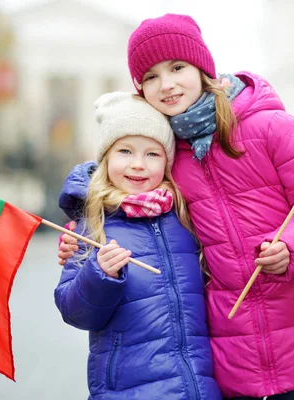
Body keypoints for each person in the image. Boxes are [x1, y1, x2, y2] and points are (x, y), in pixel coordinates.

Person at [57, 13, 294, 400]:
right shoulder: (169, 154)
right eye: (151, 77)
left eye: (177, 67)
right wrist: (81, 228)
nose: (167, 84)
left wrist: (293, 246)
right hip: (230, 336)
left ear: (202, 68)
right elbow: (127, 189)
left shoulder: (271, 127)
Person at [54, 92, 222, 400]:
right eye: (125, 151)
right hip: (129, 390)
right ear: (106, 159)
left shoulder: (185, 216)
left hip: (197, 387)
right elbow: (73, 310)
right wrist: (98, 274)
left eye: (152, 154)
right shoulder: (93, 225)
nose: (138, 164)